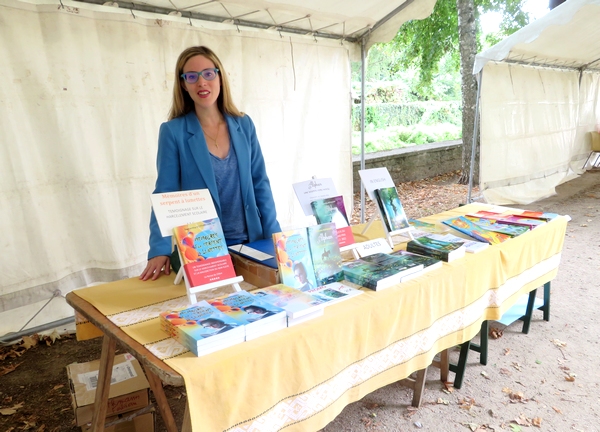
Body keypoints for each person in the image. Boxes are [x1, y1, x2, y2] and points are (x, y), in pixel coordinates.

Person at [140, 46, 281, 281]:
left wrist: (274, 235)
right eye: (192, 77)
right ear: (183, 84)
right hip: (203, 250)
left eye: (208, 74)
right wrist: (159, 248)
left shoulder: (244, 125)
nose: (201, 83)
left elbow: (260, 184)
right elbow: (165, 192)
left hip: (251, 243)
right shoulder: (173, 132)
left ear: (220, 76)